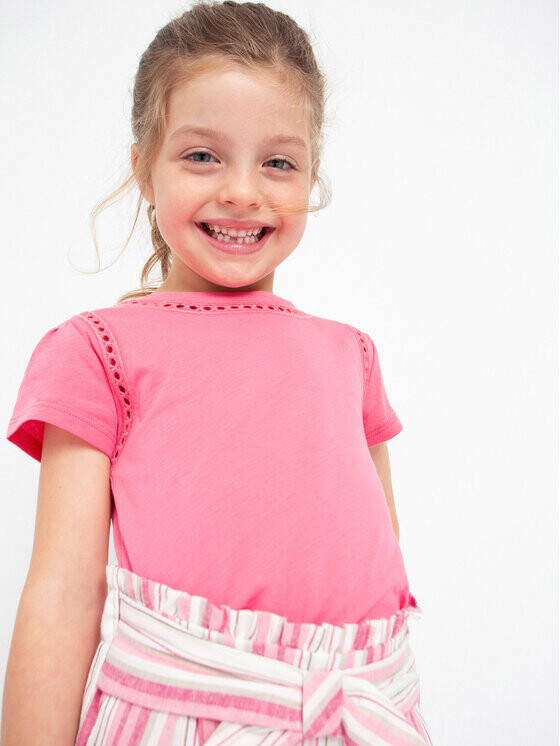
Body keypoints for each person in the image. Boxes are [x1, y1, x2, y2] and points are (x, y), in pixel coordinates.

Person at [1, 2, 433, 744]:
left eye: (278, 162)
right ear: (144, 167)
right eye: (202, 156)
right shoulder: (99, 349)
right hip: (183, 714)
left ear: (312, 178)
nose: (241, 191)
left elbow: (378, 559)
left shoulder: (350, 354)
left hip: (363, 710)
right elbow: (65, 595)